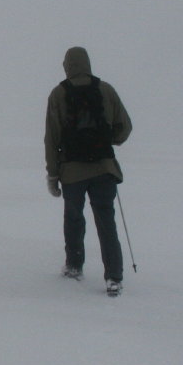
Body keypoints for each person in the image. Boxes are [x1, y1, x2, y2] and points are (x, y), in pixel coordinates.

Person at [45, 46, 132, 296]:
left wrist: (53, 174)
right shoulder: (106, 90)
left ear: (67, 66)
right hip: (104, 168)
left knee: (74, 218)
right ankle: (114, 276)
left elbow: (51, 138)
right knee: (106, 221)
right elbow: (125, 127)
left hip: (72, 172)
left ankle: (74, 265)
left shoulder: (58, 94)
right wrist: (106, 141)